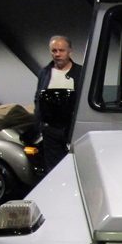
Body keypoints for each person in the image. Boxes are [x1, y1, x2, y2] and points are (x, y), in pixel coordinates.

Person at [34, 35, 82, 171]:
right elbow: (38, 99)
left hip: (73, 129)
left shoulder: (81, 73)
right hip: (51, 130)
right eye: (54, 51)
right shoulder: (45, 72)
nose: (57, 54)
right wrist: (41, 125)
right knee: (54, 169)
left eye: (61, 50)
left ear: (70, 52)